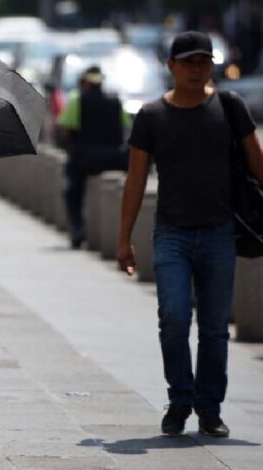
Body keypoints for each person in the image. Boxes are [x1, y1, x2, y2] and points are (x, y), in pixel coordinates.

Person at [117, 31, 263, 438]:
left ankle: (210, 408)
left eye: (204, 61)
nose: (197, 69)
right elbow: (134, 180)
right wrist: (123, 238)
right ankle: (180, 398)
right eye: (188, 62)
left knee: (215, 327)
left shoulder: (229, 107)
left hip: (219, 232)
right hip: (171, 235)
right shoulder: (150, 116)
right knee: (174, 318)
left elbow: (257, 162)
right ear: (171, 66)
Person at [58, 65, 131, 249]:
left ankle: (77, 228)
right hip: (115, 159)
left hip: (86, 159)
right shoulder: (115, 101)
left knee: (73, 192)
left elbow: (66, 127)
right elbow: (126, 126)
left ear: (85, 82)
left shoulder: (77, 100)